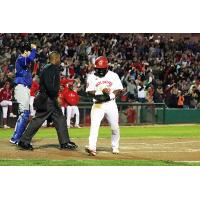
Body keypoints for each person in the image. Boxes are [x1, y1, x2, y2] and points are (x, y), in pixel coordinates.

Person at [17, 51, 78, 151]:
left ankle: (65, 142)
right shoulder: (52, 68)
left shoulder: (47, 67)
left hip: (47, 98)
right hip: (48, 99)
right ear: (55, 58)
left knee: (60, 119)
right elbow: (50, 85)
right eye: (59, 58)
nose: (60, 61)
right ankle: (24, 141)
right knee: (38, 120)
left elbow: (49, 84)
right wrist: (56, 95)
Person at [85, 56, 123, 156]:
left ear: (106, 68)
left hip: (110, 104)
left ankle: (115, 146)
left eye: (101, 69)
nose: (100, 70)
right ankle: (92, 148)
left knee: (115, 127)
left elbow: (119, 89)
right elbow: (89, 91)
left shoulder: (113, 75)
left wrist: (109, 96)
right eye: (98, 69)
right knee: (94, 126)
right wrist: (100, 93)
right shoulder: (92, 76)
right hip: (98, 104)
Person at [10, 42, 37, 144]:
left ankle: (16, 137)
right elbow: (29, 59)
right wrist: (34, 49)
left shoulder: (24, 62)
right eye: (29, 51)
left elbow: (30, 61)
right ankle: (16, 138)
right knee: (25, 113)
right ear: (25, 51)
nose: (30, 53)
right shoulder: (21, 58)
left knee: (24, 114)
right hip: (21, 87)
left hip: (24, 88)